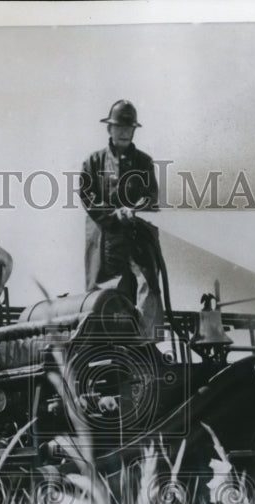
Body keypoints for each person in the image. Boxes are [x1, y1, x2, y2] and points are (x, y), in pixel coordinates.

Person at [79, 99, 165, 338]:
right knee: (107, 294)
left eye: (130, 128)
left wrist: (134, 209)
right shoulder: (92, 163)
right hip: (105, 242)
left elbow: (151, 197)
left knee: (148, 285)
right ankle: (109, 345)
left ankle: (144, 342)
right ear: (110, 129)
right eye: (121, 127)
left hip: (139, 238)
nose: (126, 132)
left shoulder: (144, 162)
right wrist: (114, 213)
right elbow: (88, 199)